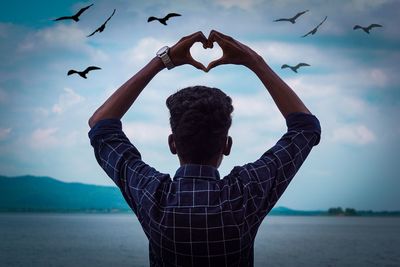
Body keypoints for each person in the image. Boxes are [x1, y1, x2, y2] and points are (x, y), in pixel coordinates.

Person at [88, 30, 321, 267]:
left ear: (172, 144)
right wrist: (254, 61)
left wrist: (163, 61)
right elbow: (305, 128)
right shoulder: (244, 195)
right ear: (227, 146)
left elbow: (100, 125)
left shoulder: (154, 197)